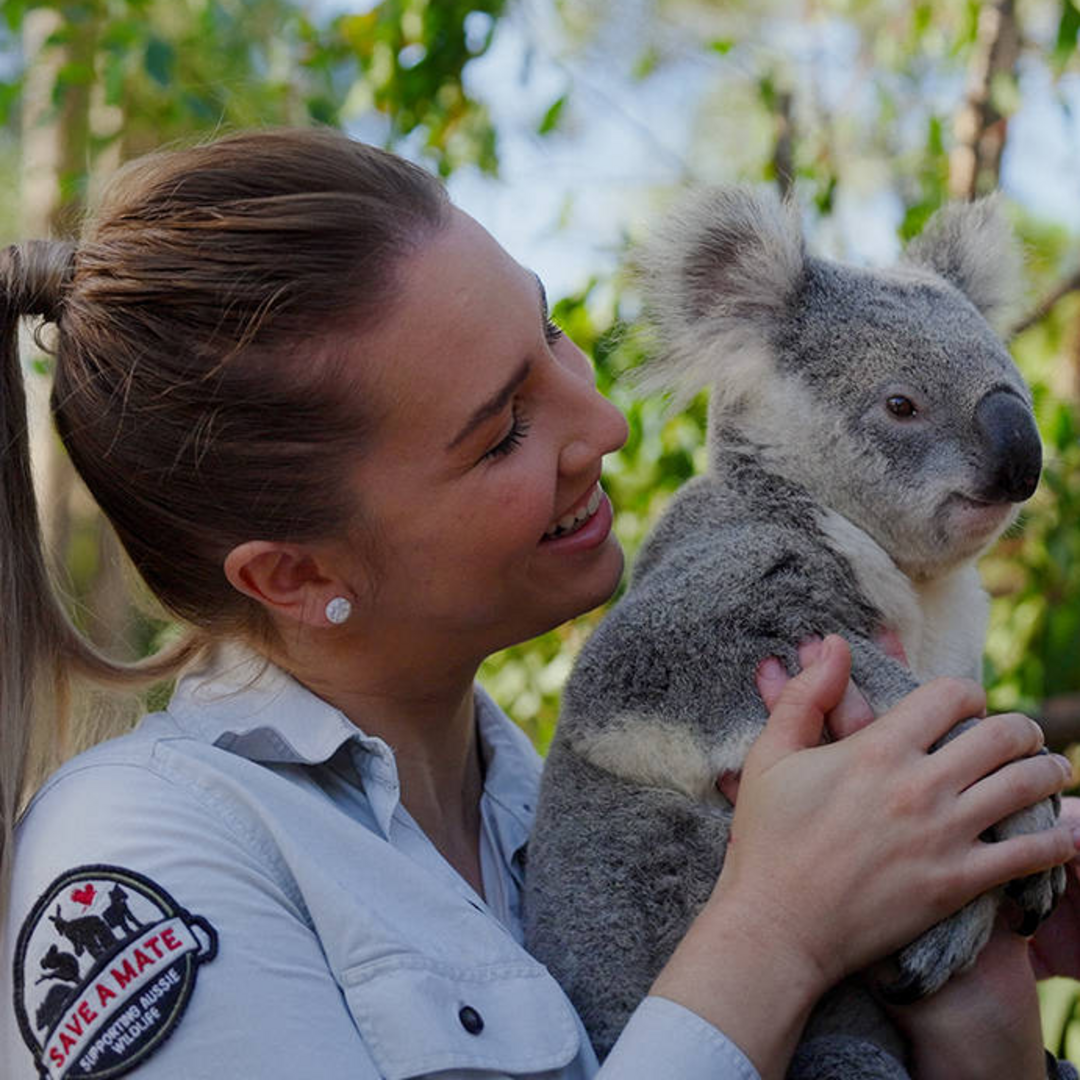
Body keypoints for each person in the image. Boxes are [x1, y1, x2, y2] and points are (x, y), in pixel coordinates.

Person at [0, 127, 1074, 1080]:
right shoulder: (147, 855)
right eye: (502, 429)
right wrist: (780, 930)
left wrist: (983, 1012)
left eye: (552, 336)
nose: (603, 423)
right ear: (298, 576)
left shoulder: (563, 795)